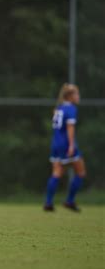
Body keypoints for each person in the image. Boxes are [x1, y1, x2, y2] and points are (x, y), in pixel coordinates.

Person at [44, 83, 86, 212]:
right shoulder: (71, 109)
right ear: (70, 96)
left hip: (55, 143)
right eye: (76, 94)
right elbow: (70, 128)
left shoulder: (59, 108)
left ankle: (48, 203)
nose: (78, 96)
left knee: (56, 172)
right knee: (81, 172)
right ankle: (70, 200)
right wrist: (72, 145)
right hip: (66, 143)